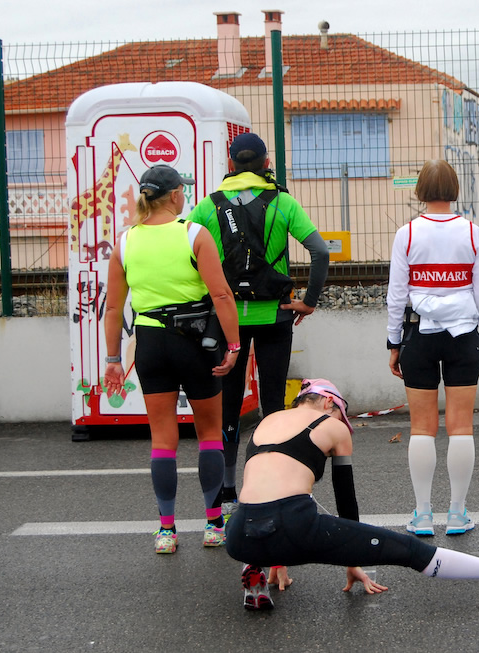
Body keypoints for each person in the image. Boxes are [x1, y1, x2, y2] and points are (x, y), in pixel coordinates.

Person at [225, 379, 479, 610]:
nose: (343, 422)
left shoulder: (268, 420)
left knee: (272, 509)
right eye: (342, 414)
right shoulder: (332, 426)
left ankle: (255, 569)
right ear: (329, 402)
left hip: (240, 535)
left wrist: (273, 557)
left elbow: (262, 490)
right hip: (294, 526)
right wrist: (351, 559)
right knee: (409, 549)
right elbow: (346, 504)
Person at [186, 133, 329, 529]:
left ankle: (228, 493)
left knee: (227, 405)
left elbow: (186, 255)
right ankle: (273, 487)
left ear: (230, 165)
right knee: (272, 406)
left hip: (226, 318)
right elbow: (320, 251)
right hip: (275, 315)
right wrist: (310, 300)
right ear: (267, 162)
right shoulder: (281, 201)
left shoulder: (207, 206)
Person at [103, 164, 241, 554]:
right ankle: (214, 524)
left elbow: (114, 309)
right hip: (194, 340)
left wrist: (114, 358)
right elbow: (222, 296)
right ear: (176, 195)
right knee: (209, 434)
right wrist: (232, 347)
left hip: (150, 344)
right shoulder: (193, 234)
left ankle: (166, 530)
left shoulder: (126, 241)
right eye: (183, 191)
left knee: (162, 438)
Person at [386, 159, 479, 537]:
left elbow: (396, 296)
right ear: (454, 189)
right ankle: (458, 513)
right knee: (461, 427)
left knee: (422, 428)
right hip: (465, 337)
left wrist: (393, 342)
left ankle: (421, 514)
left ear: (419, 191)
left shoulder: (408, 234)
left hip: (419, 336)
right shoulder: (471, 232)